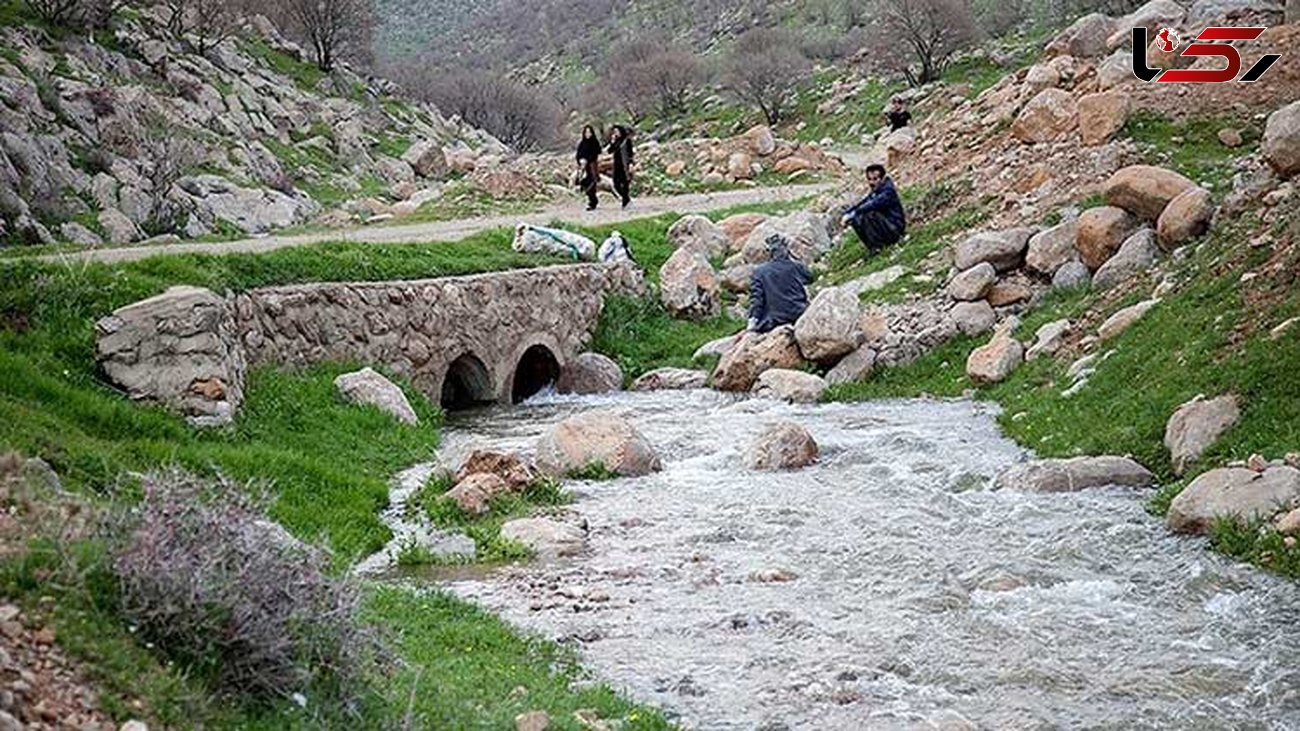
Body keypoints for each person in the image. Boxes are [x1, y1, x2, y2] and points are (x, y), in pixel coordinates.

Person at [747, 234, 812, 334]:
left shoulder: (759, 272)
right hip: (798, 314)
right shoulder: (796, 267)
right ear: (786, 251)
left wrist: (752, 322)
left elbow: (757, 300)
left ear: (769, 253)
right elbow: (809, 277)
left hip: (774, 320)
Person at [841, 163, 906, 258]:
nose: (872, 182)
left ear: (882, 179)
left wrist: (854, 213)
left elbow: (873, 204)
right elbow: (863, 203)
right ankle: (872, 247)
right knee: (855, 219)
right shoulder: (876, 191)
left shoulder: (888, 191)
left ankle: (878, 247)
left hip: (894, 228)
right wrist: (848, 214)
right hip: (885, 227)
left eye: (875, 179)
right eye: (869, 179)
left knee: (869, 214)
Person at [575, 125, 603, 211]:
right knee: (583, 183)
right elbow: (578, 154)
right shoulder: (582, 143)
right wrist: (580, 160)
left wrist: (587, 159)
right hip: (583, 167)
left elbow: (597, 152)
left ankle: (592, 203)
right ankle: (592, 200)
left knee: (592, 184)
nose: (588, 134)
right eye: (586, 132)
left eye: (589, 132)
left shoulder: (594, 142)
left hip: (592, 166)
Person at [607, 125, 634, 208]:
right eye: (614, 132)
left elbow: (630, 153)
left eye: (617, 131)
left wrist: (631, 163)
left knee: (625, 182)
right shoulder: (616, 141)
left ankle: (625, 202)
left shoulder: (627, 140)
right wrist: (612, 142)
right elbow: (609, 151)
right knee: (616, 183)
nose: (616, 133)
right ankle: (626, 198)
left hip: (625, 164)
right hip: (617, 165)